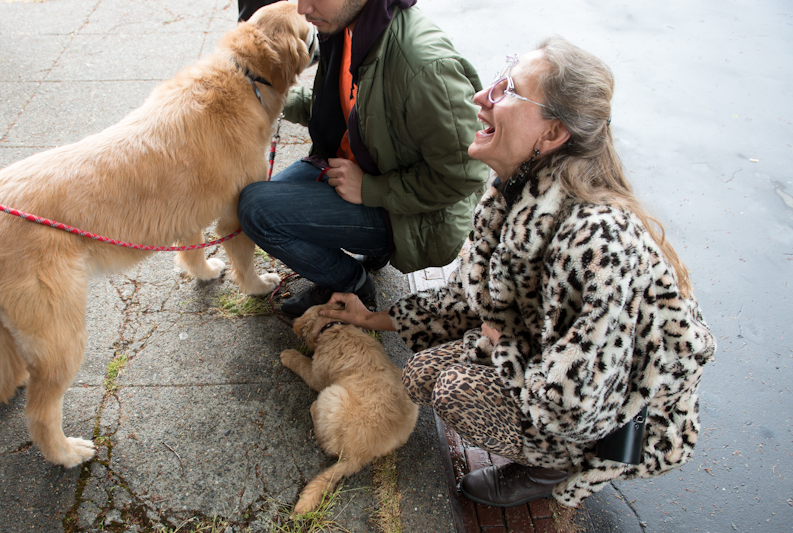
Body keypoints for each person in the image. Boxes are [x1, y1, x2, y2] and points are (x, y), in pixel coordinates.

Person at [320, 37, 716, 508]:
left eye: (507, 90)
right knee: (420, 375)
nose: (481, 96)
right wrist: (369, 318)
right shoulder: (515, 190)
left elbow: (578, 406)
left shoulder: (595, 241)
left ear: (552, 134)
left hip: (612, 418)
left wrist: (500, 341)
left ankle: (555, 467)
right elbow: (464, 300)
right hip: (545, 361)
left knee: (453, 392)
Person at [237, 0, 488, 317]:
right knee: (263, 199)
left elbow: (464, 175)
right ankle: (368, 251)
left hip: (410, 217)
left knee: (257, 210)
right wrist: (268, 96)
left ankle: (351, 282)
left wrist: (371, 189)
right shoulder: (345, 27)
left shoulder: (424, 65)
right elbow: (344, 107)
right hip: (349, 168)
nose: (302, 8)